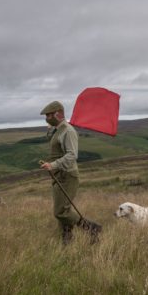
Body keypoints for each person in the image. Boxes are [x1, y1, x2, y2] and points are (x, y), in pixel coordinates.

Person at [39, 100, 102, 245]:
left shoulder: (68, 130)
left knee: (61, 212)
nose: (46, 118)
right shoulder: (59, 130)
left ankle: (91, 228)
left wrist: (53, 164)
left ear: (58, 114)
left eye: (49, 115)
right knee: (63, 211)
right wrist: (51, 129)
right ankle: (66, 240)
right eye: (46, 116)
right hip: (59, 175)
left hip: (68, 175)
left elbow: (72, 155)